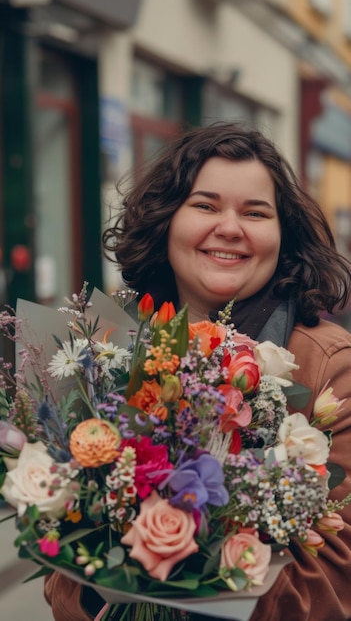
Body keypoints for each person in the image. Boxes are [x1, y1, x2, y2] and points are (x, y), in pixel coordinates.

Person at [44, 121, 351, 621]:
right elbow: (62, 560)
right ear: (167, 221)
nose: (230, 228)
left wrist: (195, 586)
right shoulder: (111, 355)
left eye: (255, 212)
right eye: (205, 205)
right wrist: (102, 584)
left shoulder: (330, 363)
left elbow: (339, 573)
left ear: (282, 235)